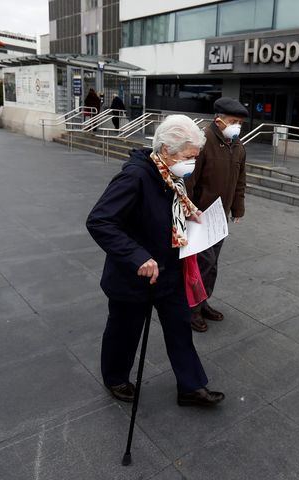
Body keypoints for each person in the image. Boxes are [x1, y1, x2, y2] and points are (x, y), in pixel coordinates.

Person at [86, 114, 224, 407]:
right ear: (166, 150)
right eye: (189, 157)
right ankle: (115, 378)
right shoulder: (135, 177)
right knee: (124, 331)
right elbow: (100, 221)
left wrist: (189, 214)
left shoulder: (171, 175)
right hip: (134, 275)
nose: (192, 163)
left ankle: (191, 386)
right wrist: (138, 256)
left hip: (169, 270)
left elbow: (167, 209)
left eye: (195, 157)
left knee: (179, 327)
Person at [186, 97, 249, 332]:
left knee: (212, 265)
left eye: (241, 123)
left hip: (219, 218)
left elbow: (240, 180)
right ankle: (191, 309)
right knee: (202, 264)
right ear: (219, 120)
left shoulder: (238, 146)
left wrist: (237, 209)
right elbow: (189, 181)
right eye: (234, 121)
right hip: (199, 215)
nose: (238, 126)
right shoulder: (203, 142)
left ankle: (202, 303)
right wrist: (190, 210)